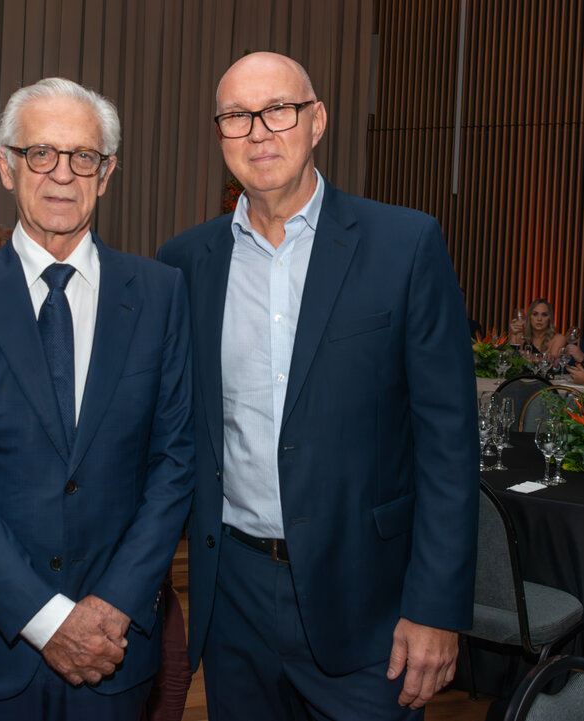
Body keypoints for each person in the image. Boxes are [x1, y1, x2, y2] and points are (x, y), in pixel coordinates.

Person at [157, 52, 479, 720]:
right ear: (220, 136)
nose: (258, 131)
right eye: (237, 117)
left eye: (278, 110)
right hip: (235, 593)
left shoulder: (404, 243)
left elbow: (449, 445)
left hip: (371, 602)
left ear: (318, 121)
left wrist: (436, 608)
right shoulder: (186, 262)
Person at [0, 77, 194, 721]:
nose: (62, 174)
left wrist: (112, 604)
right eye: (40, 153)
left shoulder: (160, 294)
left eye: (82, 156)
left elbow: (176, 464)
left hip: (114, 642)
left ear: (108, 170)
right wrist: (45, 619)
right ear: (5, 165)